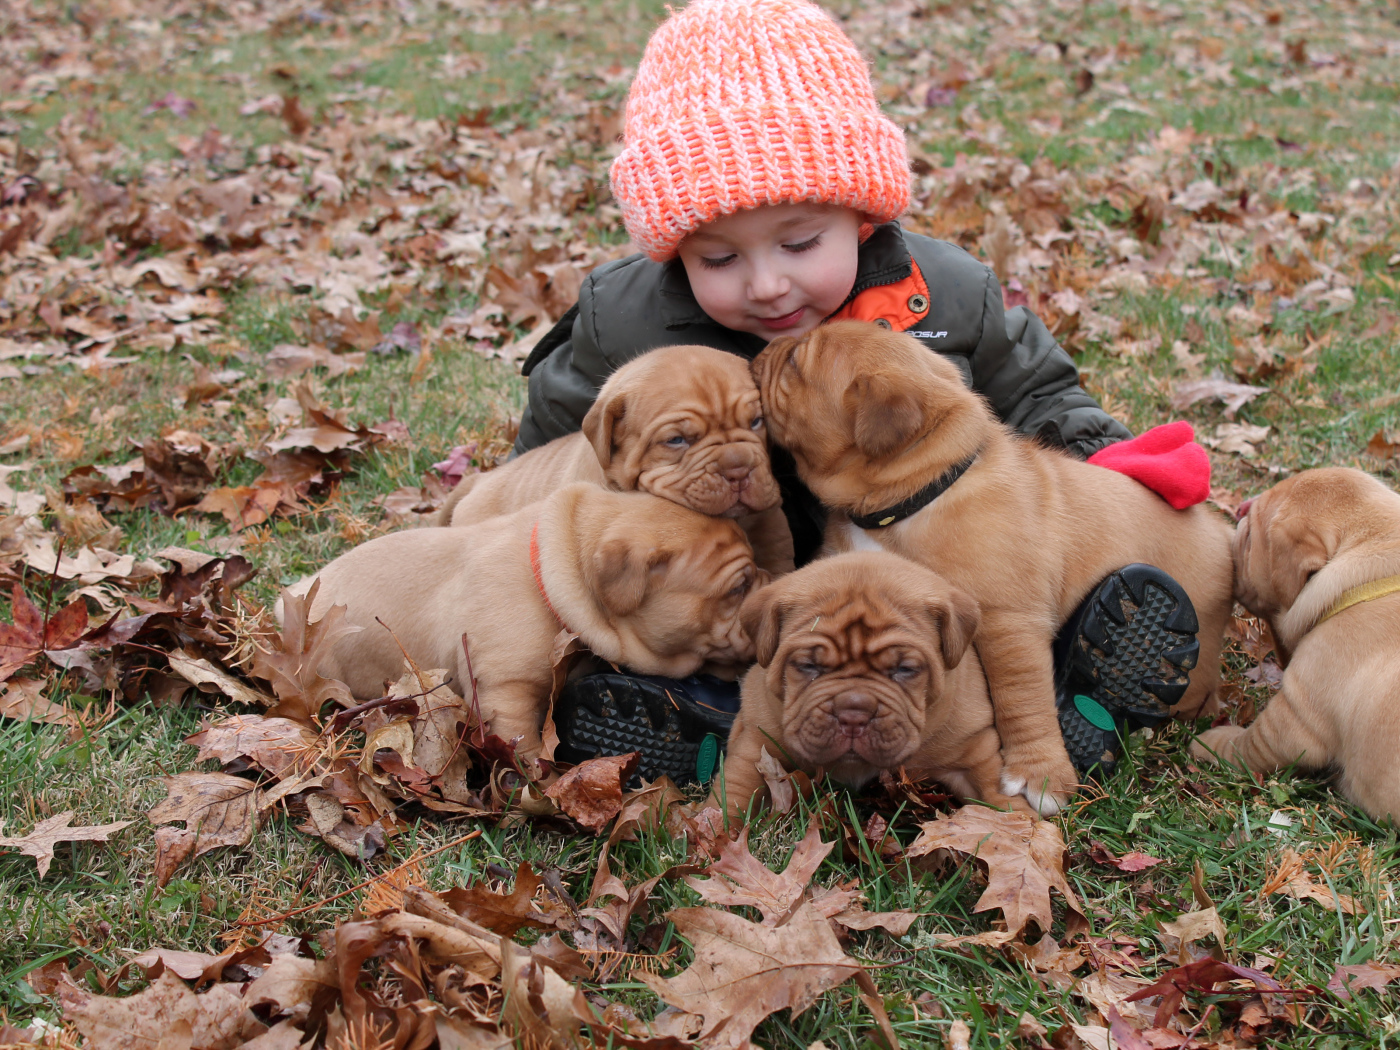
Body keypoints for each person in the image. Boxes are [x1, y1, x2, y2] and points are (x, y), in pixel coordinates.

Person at [523, 0, 1212, 796]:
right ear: (675, 251)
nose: (768, 284)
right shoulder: (626, 319)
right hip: (735, 572)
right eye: (718, 258)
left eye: (800, 242)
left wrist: (1103, 455)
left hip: (903, 581)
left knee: (1000, 609)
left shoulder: (946, 296)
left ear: (860, 210)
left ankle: (1073, 686)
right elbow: (551, 447)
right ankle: (687, 709)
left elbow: (1042, 391)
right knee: (683, 619)